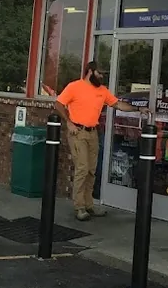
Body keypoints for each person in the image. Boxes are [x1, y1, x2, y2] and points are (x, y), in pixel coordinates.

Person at [56, 60, 148, 221]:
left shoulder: (102, 90)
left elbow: (118, 104)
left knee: (92, 170)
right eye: (99, 73)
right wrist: (68, 122)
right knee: (82, 168)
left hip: (93, 133)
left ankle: (89, 204)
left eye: (103, 74)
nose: (102, 76)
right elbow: (58, 104)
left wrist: (138, 109)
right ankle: (79, 207)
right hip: (78, 131)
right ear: (90, 71)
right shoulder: (74, 87)